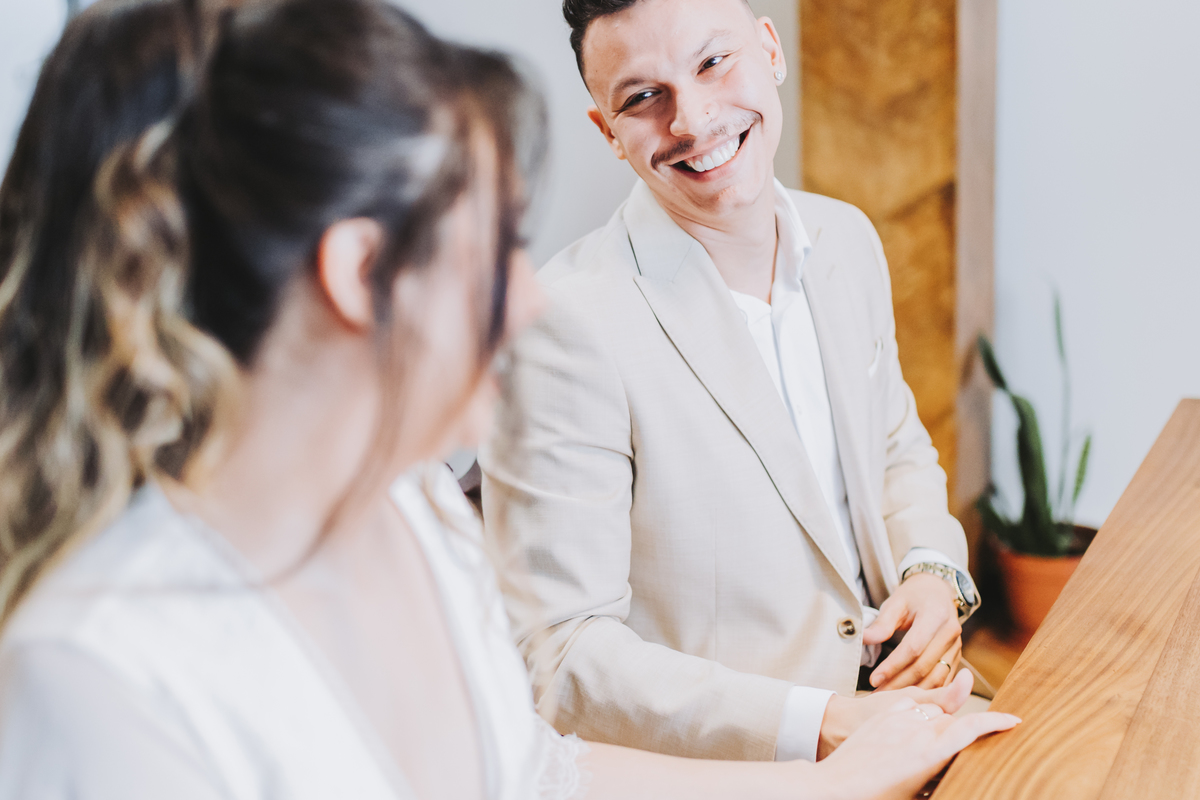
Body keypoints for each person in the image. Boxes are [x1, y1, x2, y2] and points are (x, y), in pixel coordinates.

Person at [0, 0, 1016, 798]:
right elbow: (568, 662)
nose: (528, 294)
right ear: (360, 273)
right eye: (492, 242)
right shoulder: (93, 674)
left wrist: (833, 781)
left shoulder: (417, 511)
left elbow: (533, 771)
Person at [481, 0, 990, 764]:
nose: (692, 119)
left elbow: (896, 449)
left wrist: (930, 574)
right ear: (608, 134)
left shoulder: (848, 238)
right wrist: (820, 722)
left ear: (770, 50)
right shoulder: (562, 327)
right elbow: (561, 654)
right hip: (748, 767)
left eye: (712, 62)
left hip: (916, 708)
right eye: (642, 98)